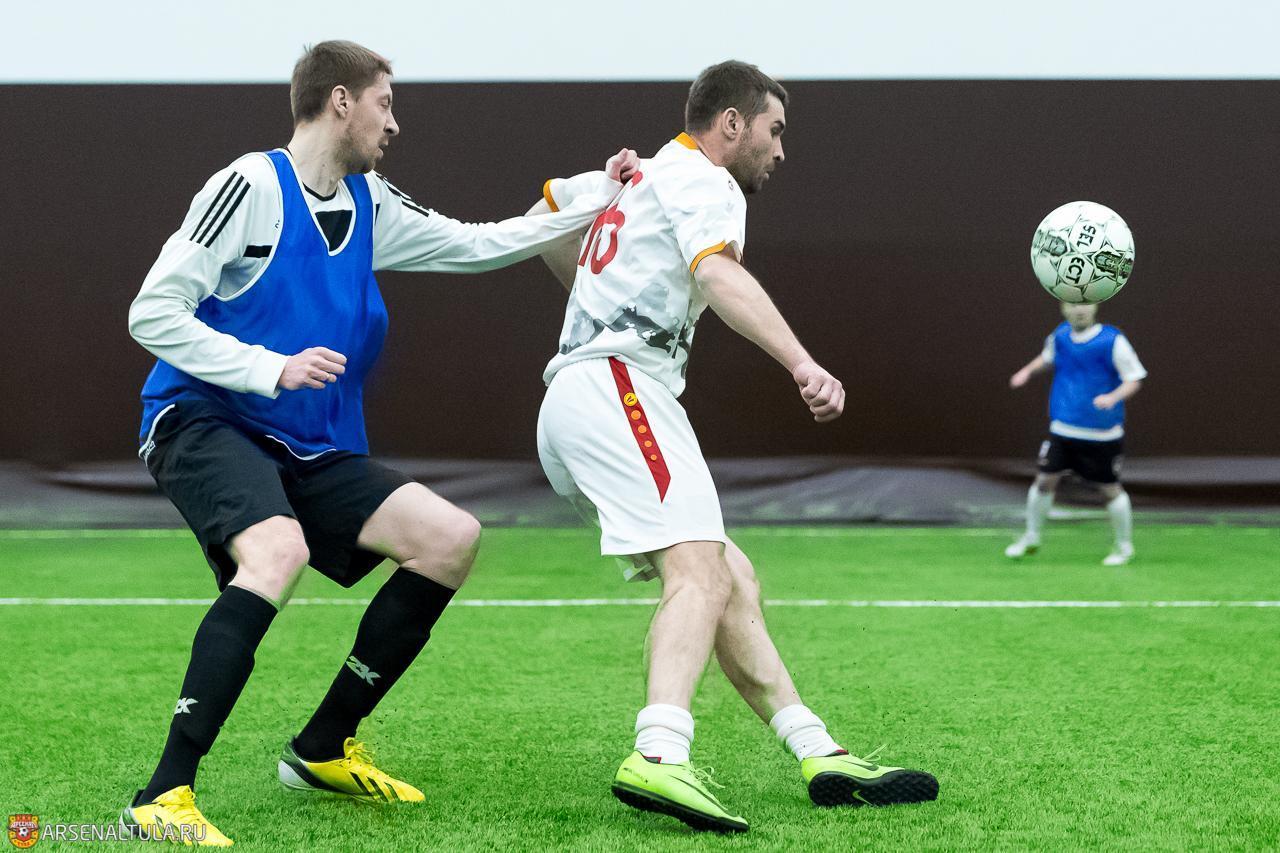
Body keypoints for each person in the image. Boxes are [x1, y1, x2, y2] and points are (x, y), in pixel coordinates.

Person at [122, 40, 637, 845]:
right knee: (277, 552)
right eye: (384, 103)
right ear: (340, 102)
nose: (393, 124)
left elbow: (475, 243)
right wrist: (270, 367)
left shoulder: (369, 201)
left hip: (302, 442)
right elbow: (151, 312)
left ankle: (322, 746)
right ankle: (162, 793)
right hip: (201, 416)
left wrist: (597, 200)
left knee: (449, 537)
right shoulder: (248, 186)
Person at [527, 60, 938, 834]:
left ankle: (818, 750)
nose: (781, 150)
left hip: (587, 397)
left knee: (727, 573)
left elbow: (546, 210)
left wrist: (598, 291)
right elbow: (717, 275)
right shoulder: (705, 179)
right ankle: (659, 751)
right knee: (699, 571)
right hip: (617, 389)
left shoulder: (638, 175)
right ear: (731, 124)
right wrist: (803, 363)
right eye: (774, 131)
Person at [1006, 301, 1148, 565]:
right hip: (1063, 429)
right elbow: (1047, 357)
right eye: (1073, 305)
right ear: (1063, 307)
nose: (1079, 310)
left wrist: (1112, 397)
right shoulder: (1060, 335)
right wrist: (1026, 371)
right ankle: (1031, 537)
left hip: (1101, 434)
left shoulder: (1112, 340)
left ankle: (1123, 546)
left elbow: (1134, 378)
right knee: (1044, 481)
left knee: (1109, 490)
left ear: (1095, 307)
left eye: (1085, 304)